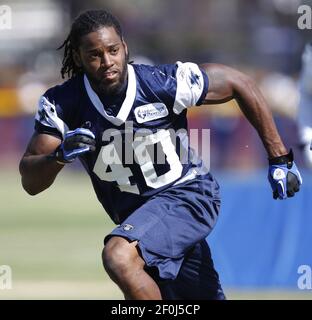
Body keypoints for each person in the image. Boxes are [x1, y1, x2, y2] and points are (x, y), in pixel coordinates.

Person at [19, 10, 302, 300]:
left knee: (119, 256)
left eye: (113, 51)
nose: (107, 62)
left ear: (125, 48)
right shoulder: (62, 103)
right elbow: (30, 180)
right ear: (78, 58)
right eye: (94, 55)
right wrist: (60, 157)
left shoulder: (161, 82)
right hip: (143, 218)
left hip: (188, 197)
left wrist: (280, 159)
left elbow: (240, 82)